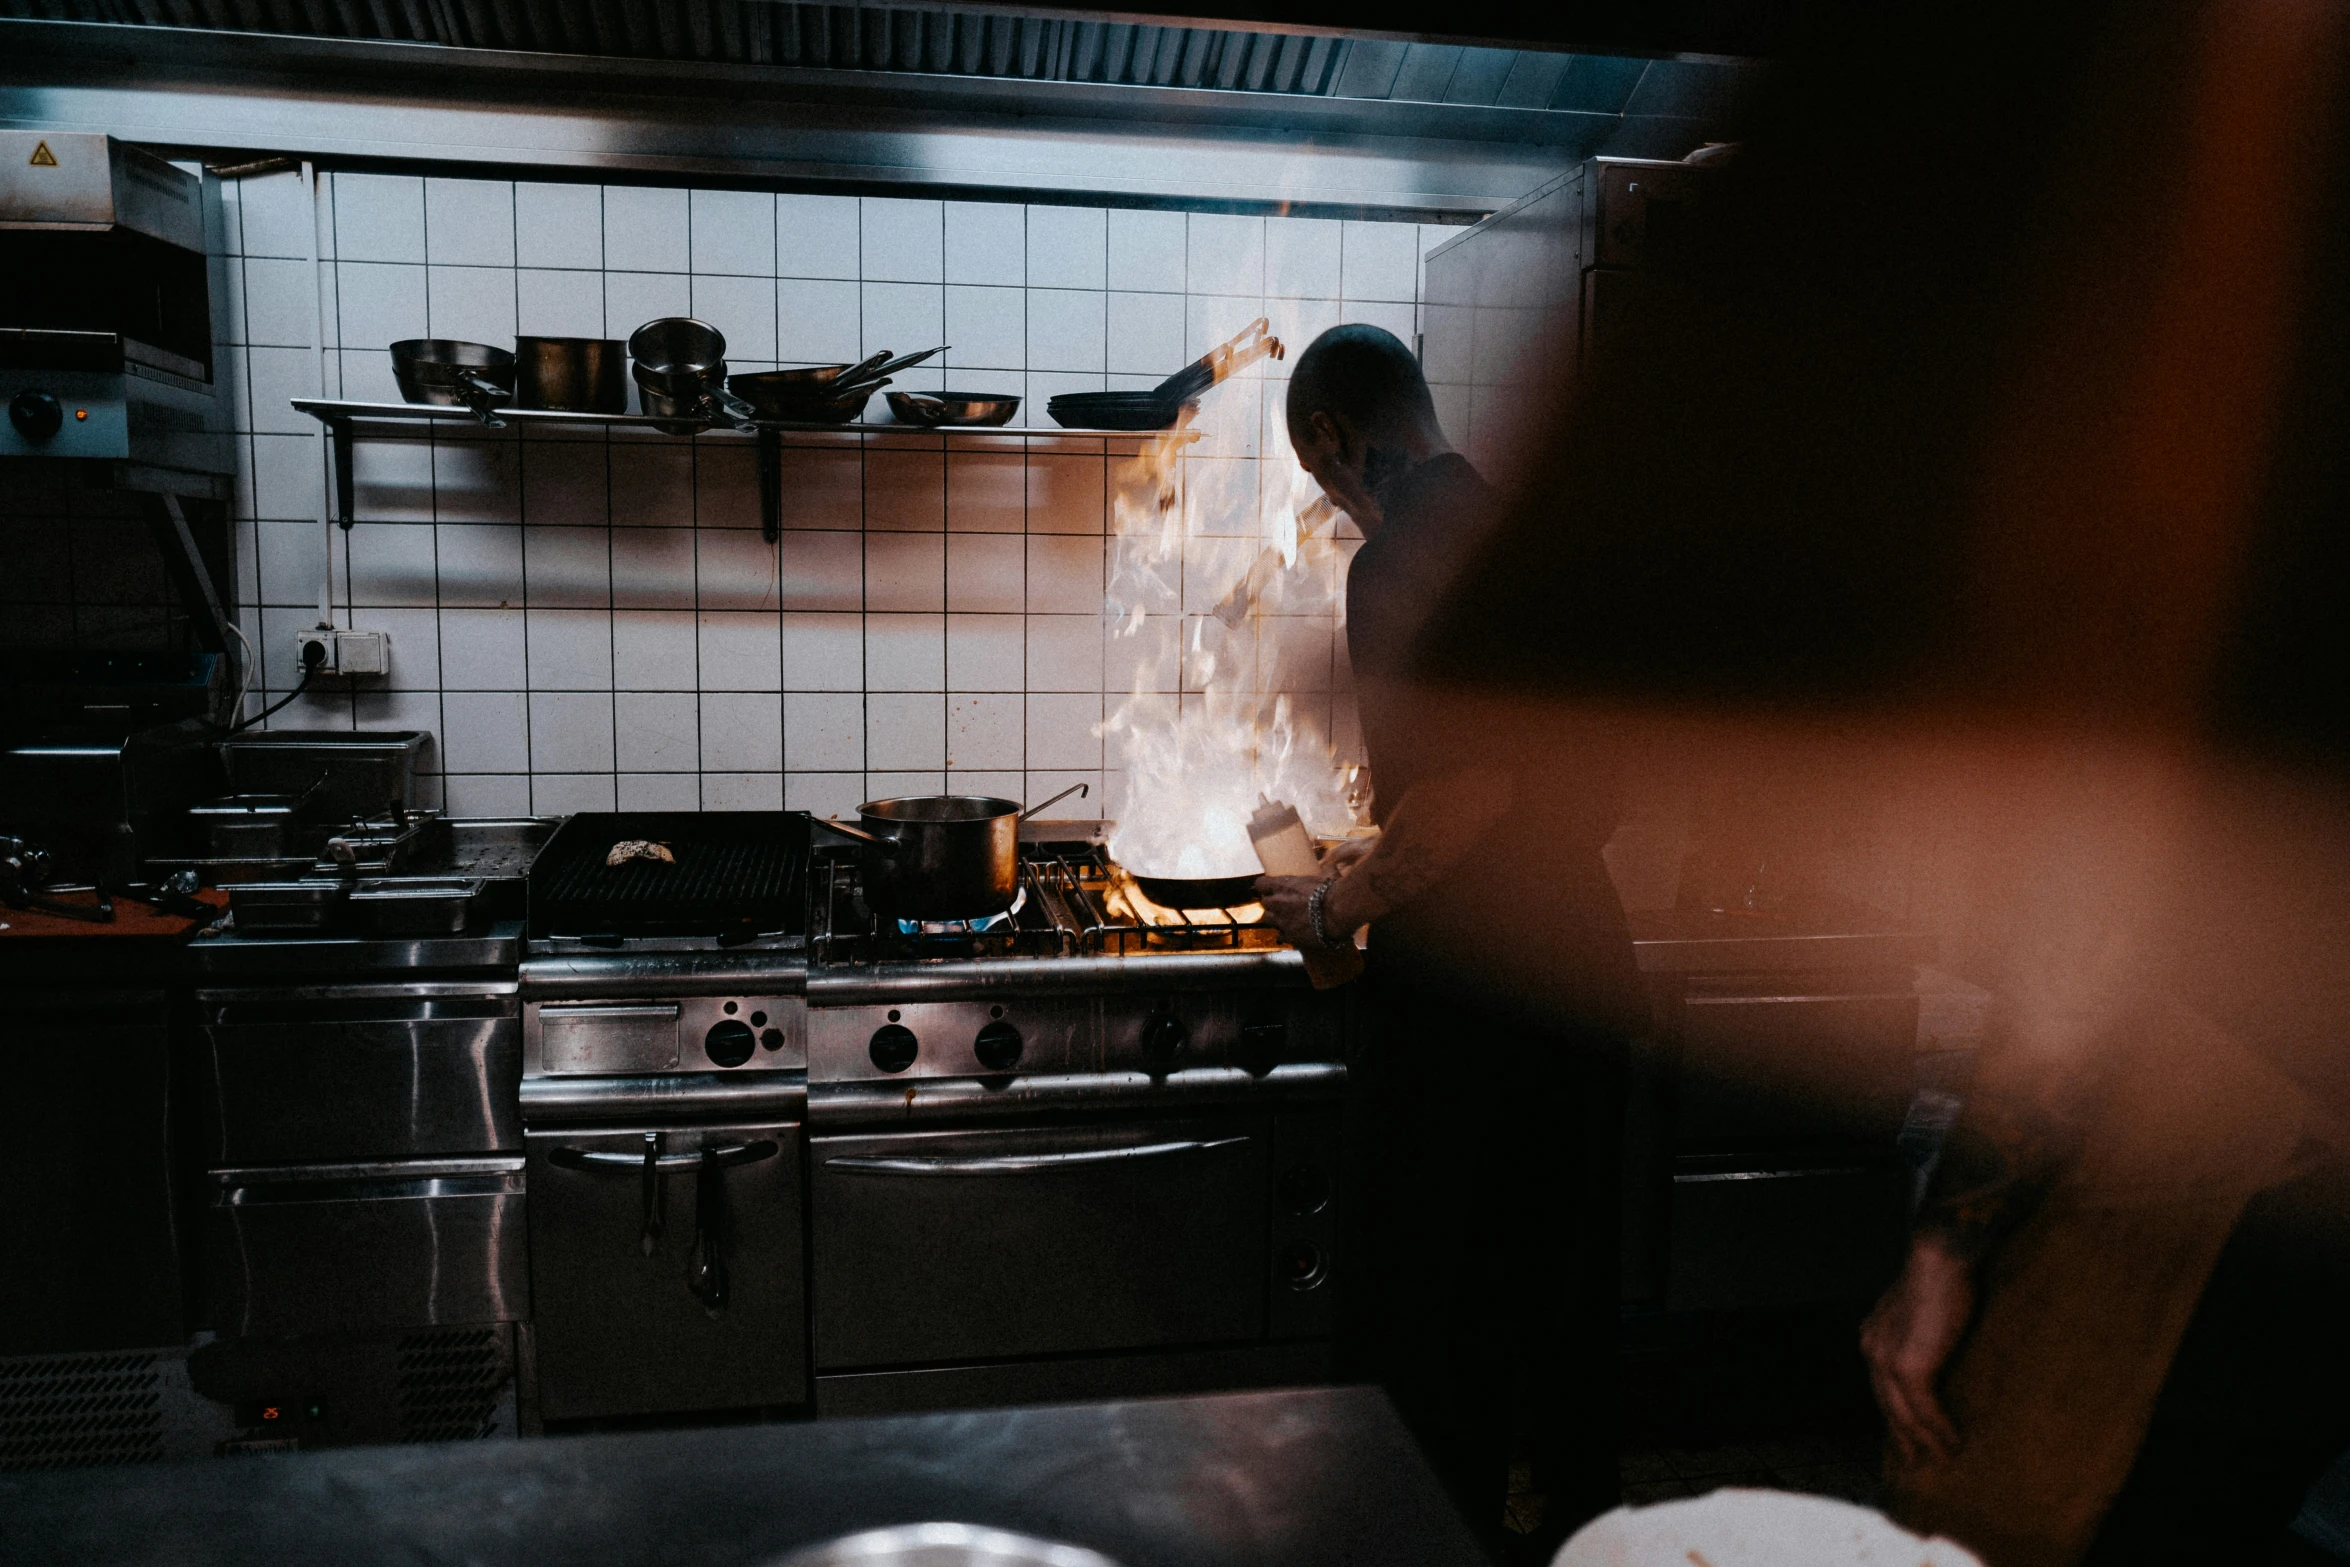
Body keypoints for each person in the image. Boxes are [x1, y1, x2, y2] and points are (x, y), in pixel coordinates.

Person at [1254, 324, 1642, 1561]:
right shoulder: (1548, 540)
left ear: (1333, 437)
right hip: (1585, 973)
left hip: (1465, 1008)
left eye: (1320, 481)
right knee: (1567, 1327)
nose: (1333, 505)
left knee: (1427, 1340)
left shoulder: (1400, 559)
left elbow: (1463, 797)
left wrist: (1333, 907)